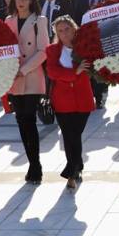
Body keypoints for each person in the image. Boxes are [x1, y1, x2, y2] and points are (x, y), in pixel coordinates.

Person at [5, 0, 50, 183]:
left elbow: (43, 51)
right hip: (13, 79)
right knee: (21, 121)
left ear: (31, 1)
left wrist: (23, 70)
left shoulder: (39, 21)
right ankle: (32, 161)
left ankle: (35, 164)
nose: (21, 2)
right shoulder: (8, 21)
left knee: (29, 119)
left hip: (31, 76)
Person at [45, 15, 94, 189]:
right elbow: (52, 72)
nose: (64, 33)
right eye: (60, 31)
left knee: (76, 134)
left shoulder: (85, 48)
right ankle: (72, 170)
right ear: (56, 33)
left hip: (83, 99)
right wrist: (75, 72)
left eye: (67, 29)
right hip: (62, 100)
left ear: (74, 29)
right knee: (69, 134)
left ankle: (76, 165)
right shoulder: (52, 50)